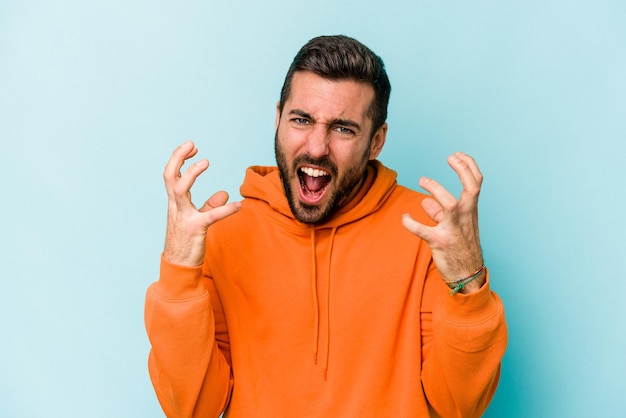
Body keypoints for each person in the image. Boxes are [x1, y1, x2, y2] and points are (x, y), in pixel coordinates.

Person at [145, 35, 507, 418]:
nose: (316, 147)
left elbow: (459, 405)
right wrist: (179, 274)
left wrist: (468, 283)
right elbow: (192, 407)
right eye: (301, 120)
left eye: (343, 129)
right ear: (278, 119)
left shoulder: (427, 230)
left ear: (376, 142)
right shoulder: (222, 232)